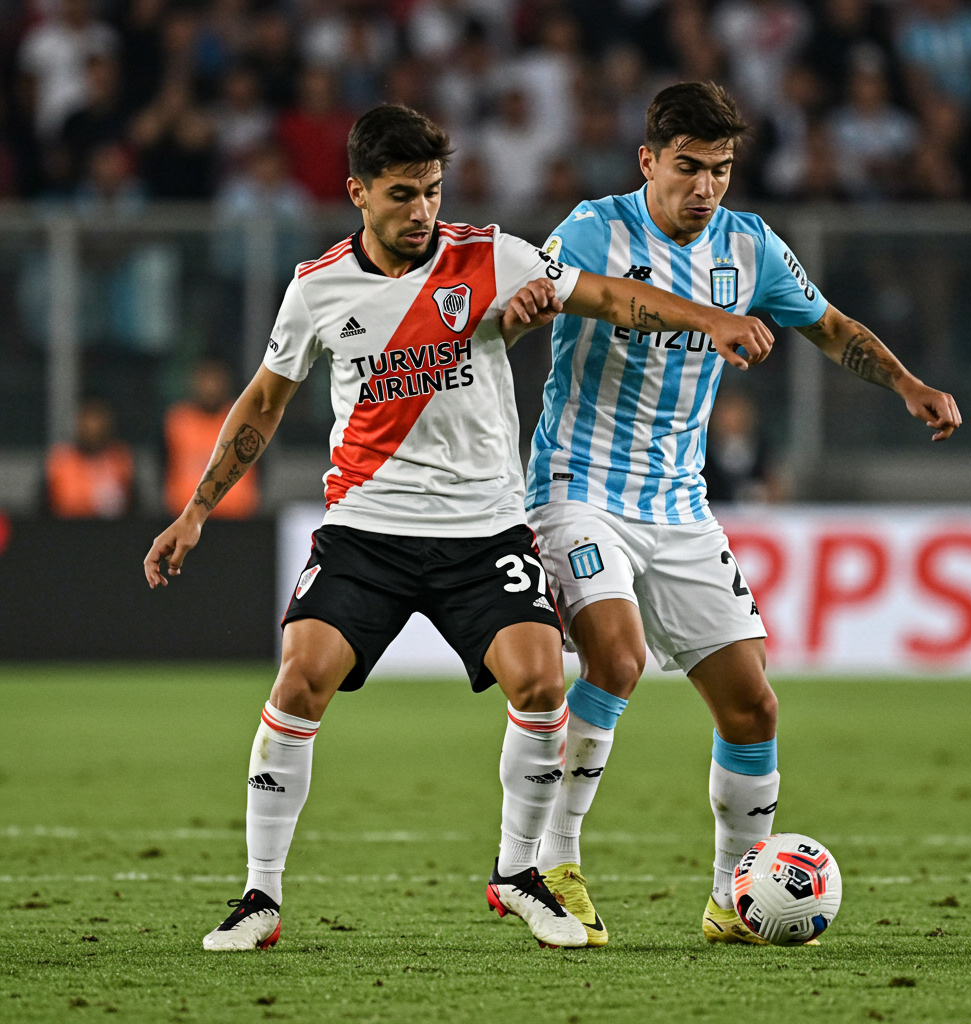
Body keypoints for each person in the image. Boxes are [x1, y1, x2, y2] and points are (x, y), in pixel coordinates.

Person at [142, 103, 774, 952]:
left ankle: (518, 875)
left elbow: (613, 297)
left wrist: (715, 320)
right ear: (358, 192)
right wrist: (196, 510)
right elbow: (264, 400)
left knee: (543, 682)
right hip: (368, 527)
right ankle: (259, 897)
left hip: (485, 530)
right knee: (301, 679)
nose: (422, 212)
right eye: (402, 194)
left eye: (433, 191)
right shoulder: (318, 286)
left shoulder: (493, 258)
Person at [515, 81, 960, 947]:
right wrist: (542, 302)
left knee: (752, 708)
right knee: (616, 653)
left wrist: (906, 383)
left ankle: (734, 898)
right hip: (577, 489)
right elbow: (560, 296)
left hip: (680, 505)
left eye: (721, 169)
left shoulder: (751, 245)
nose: (706, 187)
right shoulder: (590, 228)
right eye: (688, 168)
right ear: (648, 161)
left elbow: (829, 326)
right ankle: (553, 860)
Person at [164, 360, 260, 519]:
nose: (210, 387)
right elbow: (164, 463)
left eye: (215, 381)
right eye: (205, 380)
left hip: (237, 518)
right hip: (185, 517)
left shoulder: (245, 419)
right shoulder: (176, 420)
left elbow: (260, 464)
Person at [46, 397, 134, 518]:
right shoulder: (61, 460)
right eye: (88, 418)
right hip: (68, 531)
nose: (93, 425)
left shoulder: (120, 458)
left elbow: (133, 505)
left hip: (113, 533)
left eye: (98, 418)